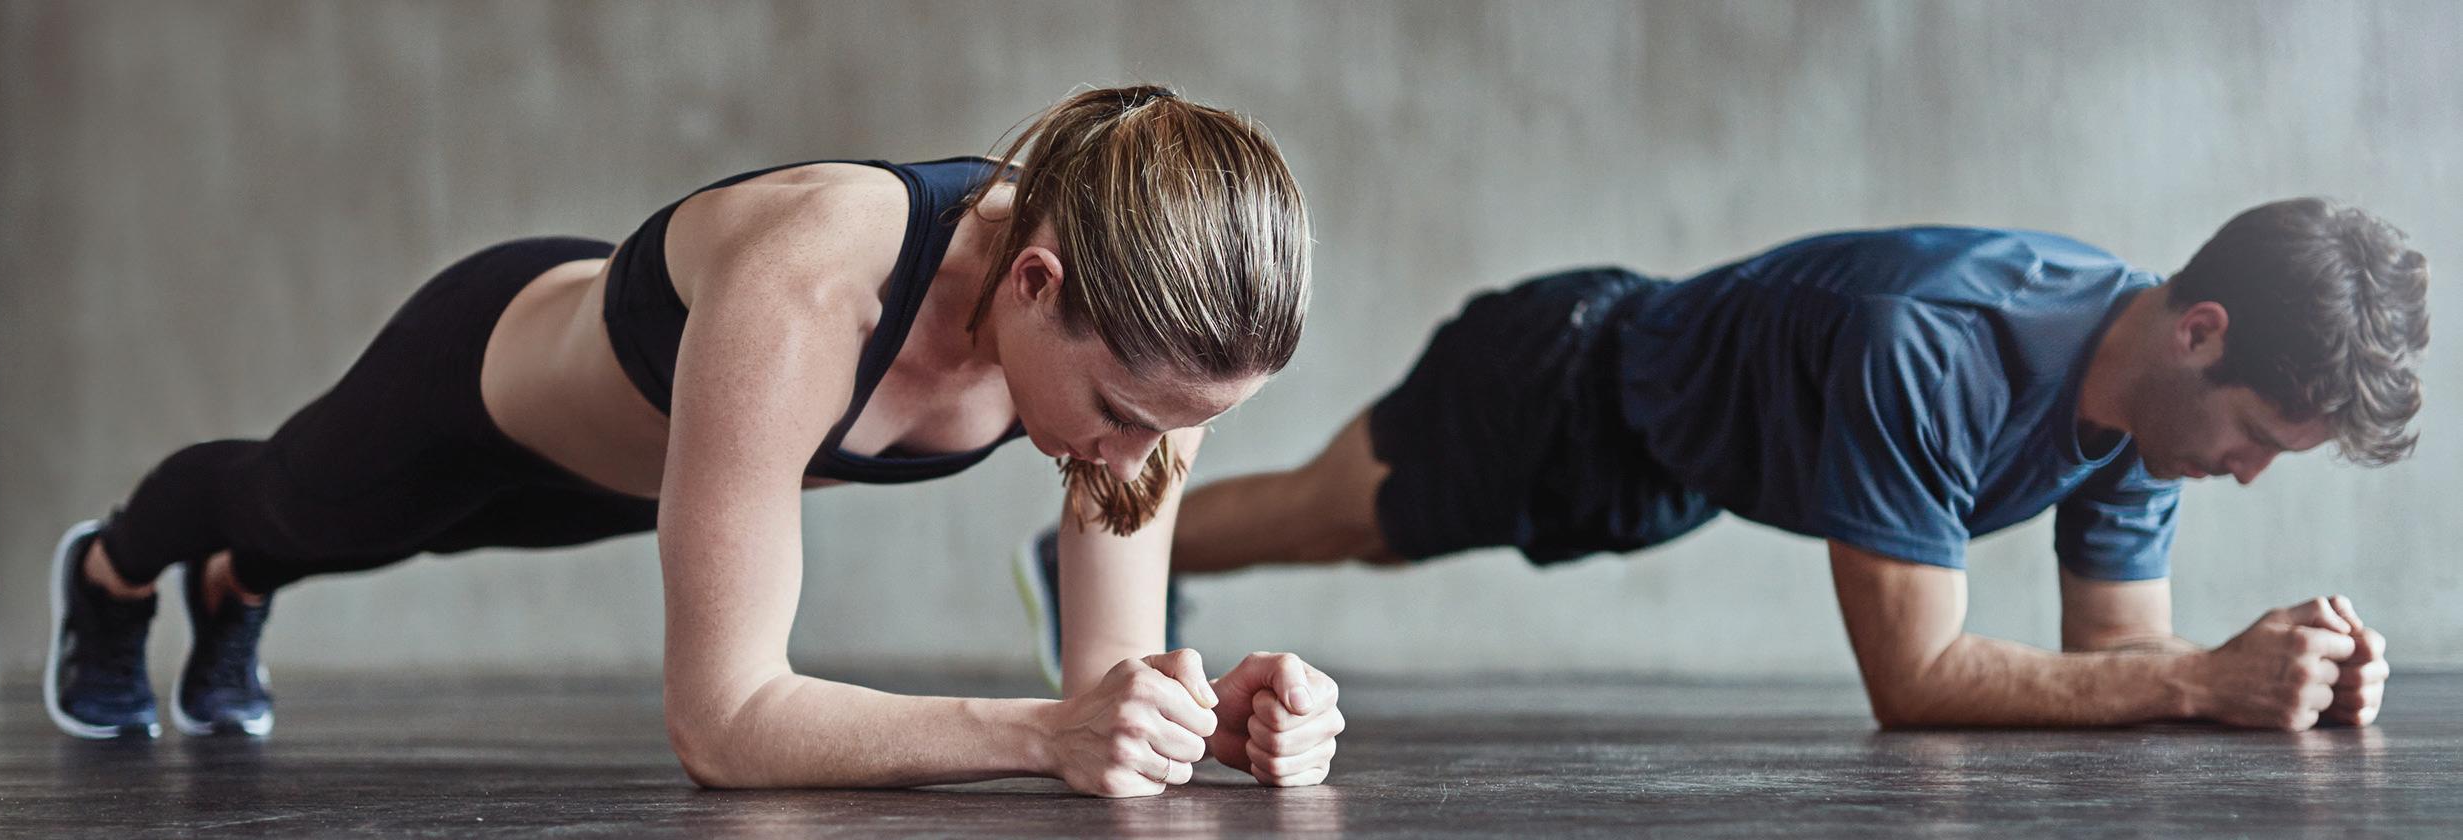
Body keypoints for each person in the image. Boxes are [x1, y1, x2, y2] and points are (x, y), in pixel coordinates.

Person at [44, 85, 1345, 797]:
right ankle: (114, 576)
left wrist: (1199, 722)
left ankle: (236, 591)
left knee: (384, 544)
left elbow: (1104, 682)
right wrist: (1040, 734)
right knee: (291, 508)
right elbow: (724, 725)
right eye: (1121, 419)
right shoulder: (812, 283)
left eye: (1181, 429)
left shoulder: (1153, 373)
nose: (1137, 461)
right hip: (486, 384)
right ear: (1035, 283)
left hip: (649, 481)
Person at [1025, 198, 2422, 730]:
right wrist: (2201, 682)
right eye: (2256, 437)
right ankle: (1094, 538)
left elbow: (2121, 651)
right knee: (1338, 523)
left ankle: (1110, 554)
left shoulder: (2149, 415)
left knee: (1347, 532)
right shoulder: (1932, 349)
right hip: (1557, 381)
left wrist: (2265, 681)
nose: (2246, 473)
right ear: (2199, 331)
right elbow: (1918, 684)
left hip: (1670, 463)